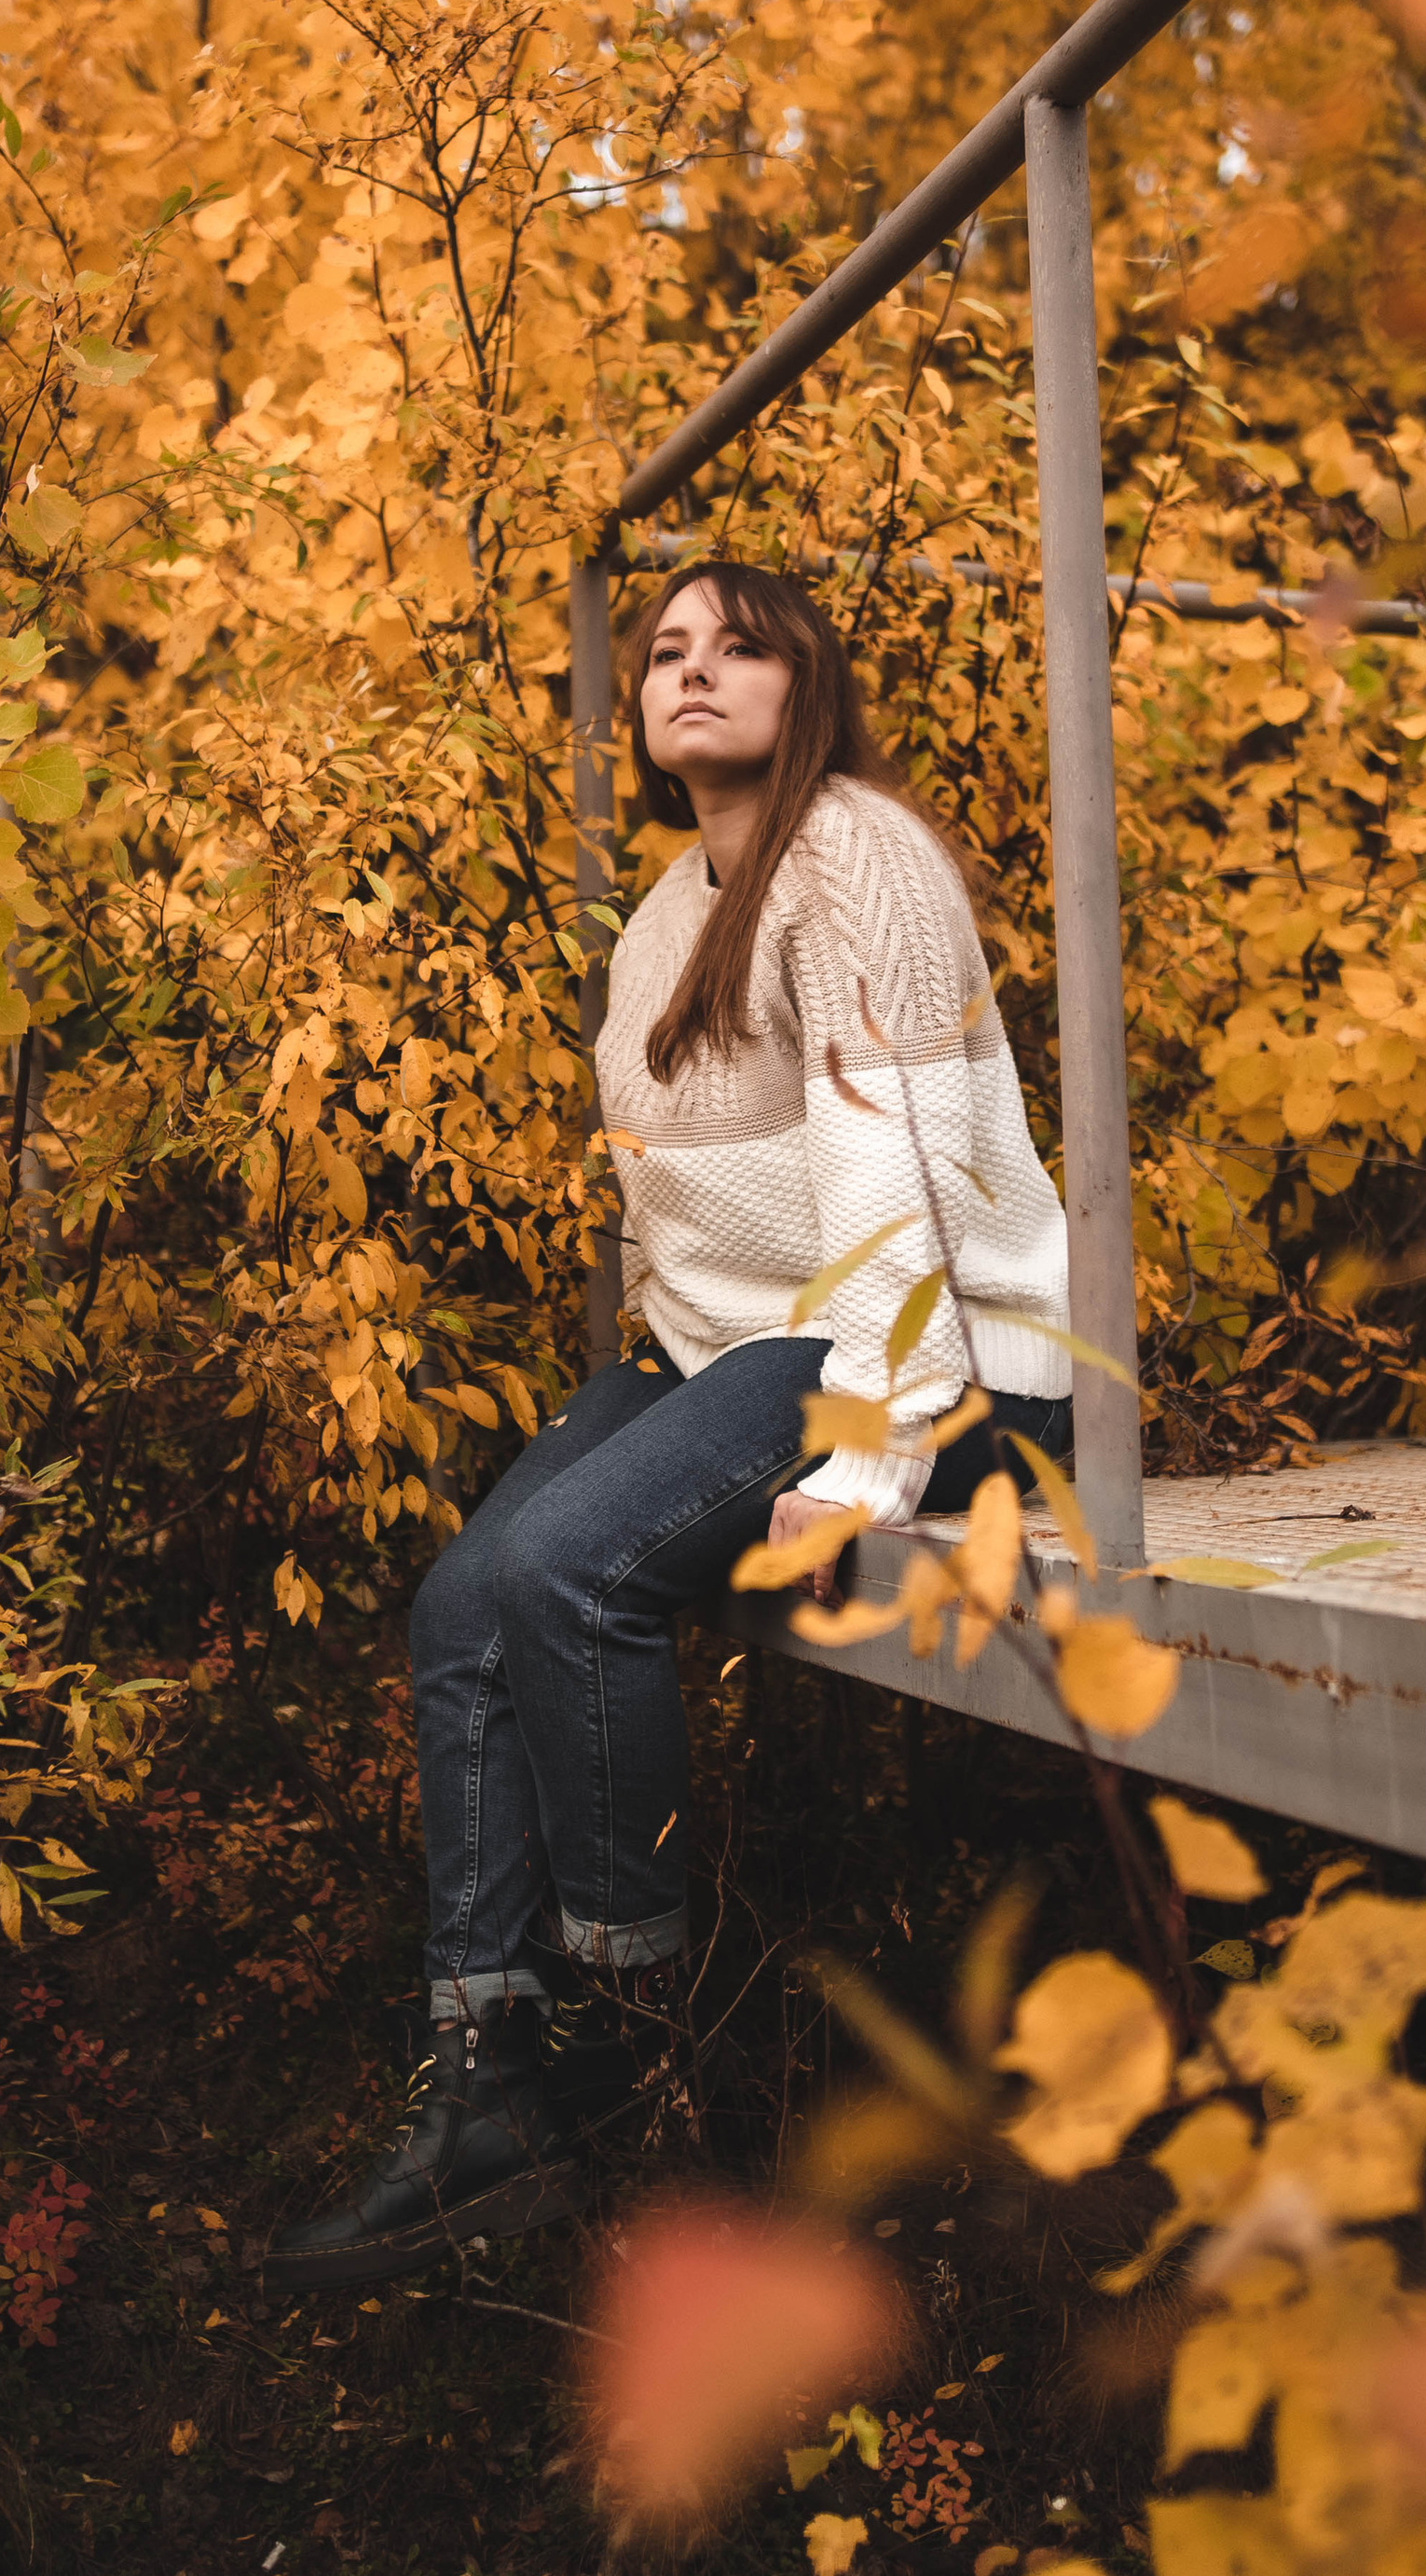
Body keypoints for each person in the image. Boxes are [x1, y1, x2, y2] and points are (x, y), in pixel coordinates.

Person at [260, 561, 1074, 2290]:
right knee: (465, 1599)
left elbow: (890, 1162)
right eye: (666, 652)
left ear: (809, 686)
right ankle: (488, 2087)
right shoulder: (658, 917)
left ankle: (646, 2045)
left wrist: (874, 1450)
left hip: (939, 1352)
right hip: (740, 1356)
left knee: (570, 1568)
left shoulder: (858, 853)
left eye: (739, 645)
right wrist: (640, 1405)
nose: (693, 671)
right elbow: (674, 1209)